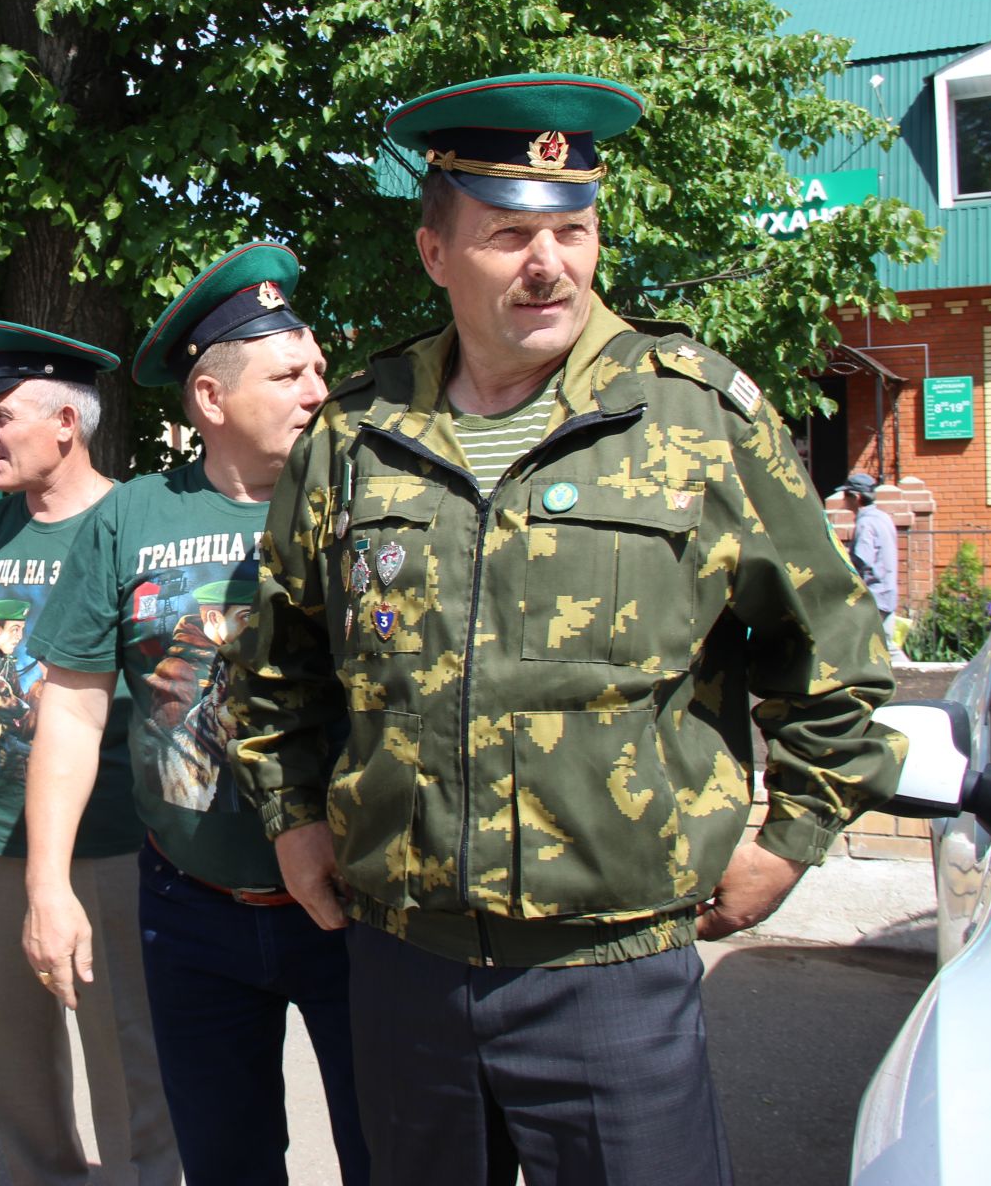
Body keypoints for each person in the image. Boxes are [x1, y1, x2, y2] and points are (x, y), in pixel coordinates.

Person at [225, 73, 906, 1186]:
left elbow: (832, 657)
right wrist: (295, 818)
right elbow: (279, 663)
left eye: (573, 231)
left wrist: (790, 842)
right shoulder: (358, 431)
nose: (550, 264)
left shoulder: (694, 414)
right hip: (404, 962)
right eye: (507, 234)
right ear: (436, 252)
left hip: (615, 972)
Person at [20, 246, 369, 1185]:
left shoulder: (367, 504)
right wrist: (48, 887)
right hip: (191, 911)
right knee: (225, 1164)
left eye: (318, 370)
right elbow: (73, 714)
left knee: (393, 1152)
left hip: (356, 906)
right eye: (287, 374)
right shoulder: (130, 518)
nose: (314, 391)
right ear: (210, 400)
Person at [0, 320, 178, 1186]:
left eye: (3, 415)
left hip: (113, 831)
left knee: (127, 1055)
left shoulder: (132, 524)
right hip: (1, 832)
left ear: (66, 424)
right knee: (19, 1057)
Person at [845, 472, 907, 666]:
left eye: (846, 495)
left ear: (856, 497)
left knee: (860, 641)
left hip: (873, 594)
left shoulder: (866, 523)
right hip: (887, 591)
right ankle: (909, 670)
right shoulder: (883, 518)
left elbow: (861, 559)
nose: (843, 500)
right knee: (885, 643)